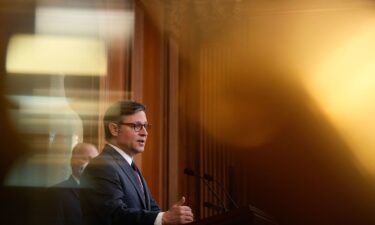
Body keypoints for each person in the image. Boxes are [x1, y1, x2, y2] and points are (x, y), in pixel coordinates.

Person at [80, 101, 194, 225]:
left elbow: (151, 209)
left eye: (145, 126)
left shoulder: (130, 167)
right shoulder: (101, 167)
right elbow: (114, 215)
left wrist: (168, 217)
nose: (145, 132)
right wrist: (164, 218)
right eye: (136, 126)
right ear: (114, 129)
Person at [51, 143, 99, 225]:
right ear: (72, 161)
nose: (89, 164)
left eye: (93, 160)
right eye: (84, 158)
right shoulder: (55, 193)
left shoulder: (104, 192)